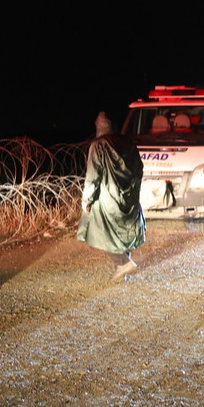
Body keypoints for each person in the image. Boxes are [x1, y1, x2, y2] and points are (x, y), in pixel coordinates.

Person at [77, 111, 146, 281]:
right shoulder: (128, 142)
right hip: (128, 196)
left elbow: (93, 175)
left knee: (100, 229)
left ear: (98, 126)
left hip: (107, 197)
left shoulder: (98, 145)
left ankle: (124, 263)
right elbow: (139, 167)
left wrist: (87, 199)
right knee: (122, 231)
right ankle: (123, 268)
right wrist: (133, 190)